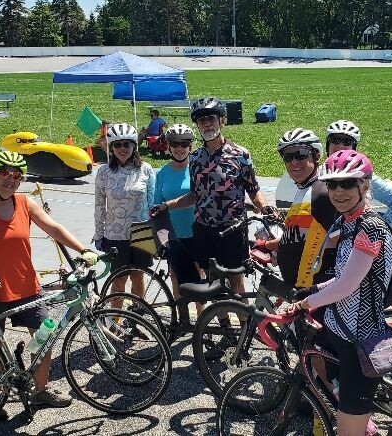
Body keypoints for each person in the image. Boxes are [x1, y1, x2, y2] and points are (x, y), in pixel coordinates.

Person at [0, 151, 98, 410]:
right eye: (4, 174)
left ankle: (40, 390)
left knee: (44, 337)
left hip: (26, 286)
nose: (10, 180)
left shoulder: (24, 203)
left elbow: (54, 228)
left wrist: (83, 249)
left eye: (17, 176)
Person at [285, 149, 392, 436]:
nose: (338, 191)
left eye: (348, 183)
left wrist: (306, 303)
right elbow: (343, 279)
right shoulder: (348, 222)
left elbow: (347, 285)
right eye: (332, 184)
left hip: (360, 340)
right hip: (342, 334)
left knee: (348, 431)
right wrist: (311, 291)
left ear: (365, 186)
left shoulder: (370, 228)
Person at [151, 97, 273, 294]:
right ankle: (221, 315)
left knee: (236, 283)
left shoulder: (240, 154)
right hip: (204, 231)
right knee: (212, 284)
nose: (207, 124)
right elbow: (194, 195)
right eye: (202, 120)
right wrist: (168, 205)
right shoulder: (195, 158)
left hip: (232, 230)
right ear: (197, 125)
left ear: (222, 121)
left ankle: (242, 316)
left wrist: (265, 208)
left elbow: (253, 189)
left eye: (211, 119)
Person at [265, 128, 339, 289]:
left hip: (316, 289)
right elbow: (301, 237)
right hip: (300, 288)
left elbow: (341, 244)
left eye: (301, 155)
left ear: (316, 156)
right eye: (288, 157)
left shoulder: (322, 193)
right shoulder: (305, 190)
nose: (294, 162)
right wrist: (267, 245)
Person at [93, 123, 156, 301]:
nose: (122, 148)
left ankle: (137, 313)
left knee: (138, 276)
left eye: (127, 144)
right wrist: (99, 234)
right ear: (111, 147)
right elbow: (99, 205)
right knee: (118, 280)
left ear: (134, 146)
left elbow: (153, 203)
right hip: (115, 233)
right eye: (117, 144)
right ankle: (116, 316)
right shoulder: (104, 172)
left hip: (142, 231)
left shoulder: (146, 169)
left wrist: (156, 233)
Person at [325, 119, 392, 229]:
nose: (340, 146)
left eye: (347, 142)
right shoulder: (320, 171)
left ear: (354, 147)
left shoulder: (362, 175)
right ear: (327, 144)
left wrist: (377, 229)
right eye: (335, 140)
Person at [153, 124, 198, 297]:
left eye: (184, 144)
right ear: (169, 146)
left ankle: (200, 313)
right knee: (175, 277)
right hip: (173, 235)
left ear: (190, 146)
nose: (180, 148)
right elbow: (157, 209)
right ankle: (181, 313)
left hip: (196, 233)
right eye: (175, 144)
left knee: (198, 278)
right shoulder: (162, 173)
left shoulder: (197, 169)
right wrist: (162, 241)